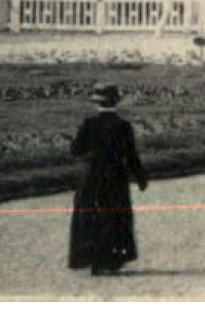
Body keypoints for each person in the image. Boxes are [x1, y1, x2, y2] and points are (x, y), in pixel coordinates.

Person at [68, 83, 149, 275]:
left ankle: (92, 256)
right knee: (114, 215)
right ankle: (112, 257)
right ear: (116, 102)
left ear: (97, 103)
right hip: (115, 176)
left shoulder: (89, 124)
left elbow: (75, 150)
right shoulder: (123, 126)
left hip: (91, 176)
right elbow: (131, 155)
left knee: (89, 214)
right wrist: (140, 177)